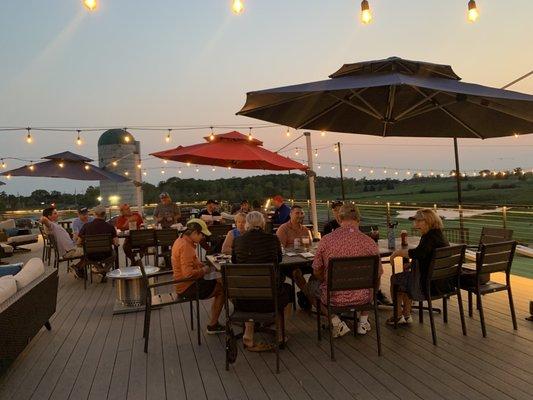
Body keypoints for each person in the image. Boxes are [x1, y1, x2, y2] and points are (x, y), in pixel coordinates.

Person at [312, 204, 382, 337]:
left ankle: (336, 322)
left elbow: (316, 271)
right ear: (358, 220)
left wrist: (326, 280)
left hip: (334, 298)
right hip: (364, 298)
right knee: (375, 281)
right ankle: (363, 321)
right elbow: (378, 274)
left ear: (339, 219)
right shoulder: (370, 242)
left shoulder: (326, 241)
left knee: (312, 286)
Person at [232, 211, 292, 351]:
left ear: (247, 224)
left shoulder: (238, 241)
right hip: (271, 298)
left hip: (244, 298)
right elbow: (279, 260)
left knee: (249, 286)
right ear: (263, 223)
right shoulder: (272, 239)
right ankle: (280, 333)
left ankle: (249, 333)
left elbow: (235, 262)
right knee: (287, 290)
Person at [387, 208, 449, 325]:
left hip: (426, 285)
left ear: (428, 221)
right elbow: (427, 255)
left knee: (395, 279)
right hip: (441, 283)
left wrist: (397, 253)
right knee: (405, 278)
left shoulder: (428, 237)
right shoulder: (439, 235)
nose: (415, 225)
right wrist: (412, 263)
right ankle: (406, 315)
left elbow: (417, 253)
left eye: (419, 222)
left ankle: (398, 315)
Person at [172, 218, 225, 334]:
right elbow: (188, 274)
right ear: (195, 232)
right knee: (222, 289)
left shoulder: (180, 240)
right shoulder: (186, 247)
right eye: (202, 235)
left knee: (219, 279)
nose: (203, 238)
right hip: (187, 287)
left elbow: (191, 263)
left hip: (182, 284)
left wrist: (204, 265)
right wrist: (205, 269)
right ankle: (213, 325)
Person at [276, 205, 313, 309]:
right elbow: (280, 248)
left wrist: (305, 248)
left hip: (303, 260)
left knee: (318, 270)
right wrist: (292, 249)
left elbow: (309, 246)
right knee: (297, 273)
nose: (300, 215)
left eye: (302, 213)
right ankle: (310, 297)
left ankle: (305, 292)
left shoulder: (305, 229)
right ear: (290, 214)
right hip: (289, 263)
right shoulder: (283, 229)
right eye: (297, 213)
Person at [40, 206, 85, 277]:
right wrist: (43, 218)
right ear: (49, 216)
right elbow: (43, 219)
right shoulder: (50, 226)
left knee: (87, 248)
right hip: (69, 252)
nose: (57, 214)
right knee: (91, 251)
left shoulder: (53, 225)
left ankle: (79, 268)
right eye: (55, 213)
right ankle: (77, 267)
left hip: (70, 248)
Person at [78, 205, 119, 280]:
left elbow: (78, 242)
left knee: (89, 253)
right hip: (107, 255)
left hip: (91, 256)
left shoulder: (86, 226)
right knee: (114, 254)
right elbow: (116, 243)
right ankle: (105, 271)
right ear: (105, 214)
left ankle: (101, 270)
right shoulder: (110, 226)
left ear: (95, 214)